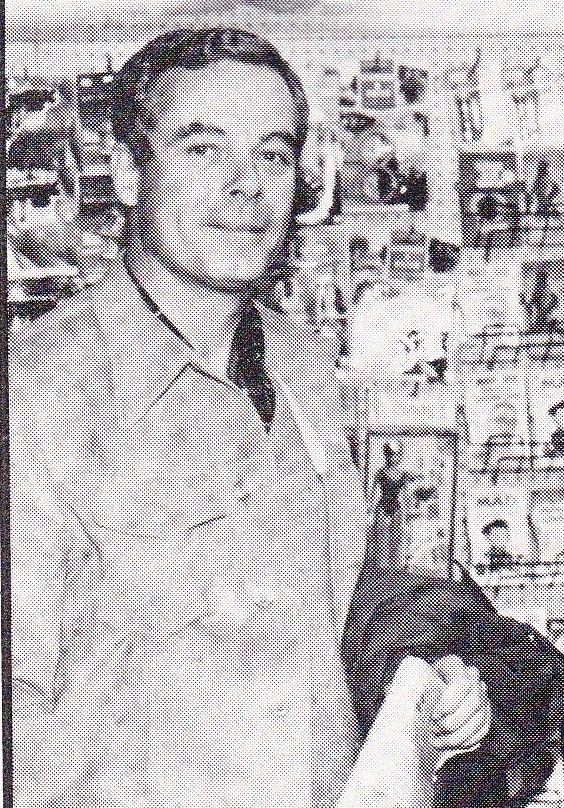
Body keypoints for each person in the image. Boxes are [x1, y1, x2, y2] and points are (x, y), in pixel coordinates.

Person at [8, 29, 493, 808]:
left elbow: (330, 600)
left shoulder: (303, 367)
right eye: (203, 149)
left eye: (272, 155)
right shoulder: (33, 399)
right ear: (130, 172)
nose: (247, 186)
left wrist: (419, 675)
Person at [367, 441, 415, 569]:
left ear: (399, 456)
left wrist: (409, 510)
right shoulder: (380, 472)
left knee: (398, 538)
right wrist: (370, 509)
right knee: (382, 539)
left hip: (397, 508)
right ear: (385, 455)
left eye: (394, 454)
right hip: (382, 507)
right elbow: (373, 492)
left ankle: (396, 568)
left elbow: (407, 494)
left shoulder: (403, 475)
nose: (392, 457)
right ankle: (381, 568)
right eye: (389, 454)